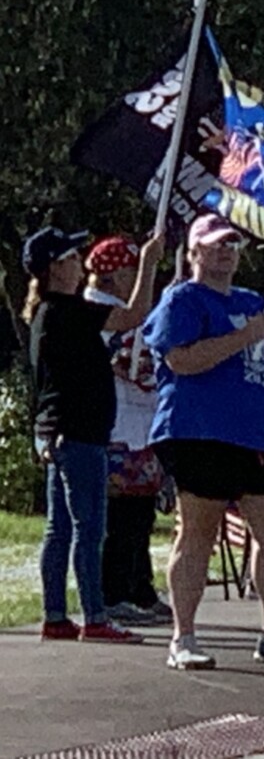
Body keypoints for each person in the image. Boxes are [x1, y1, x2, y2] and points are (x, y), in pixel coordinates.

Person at [144, 213, 264, 670]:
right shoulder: (183, 299)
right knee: (198, 532)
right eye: (215, 244)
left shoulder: (252, 301)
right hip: (200, 430)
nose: (226, 250)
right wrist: (241, 336)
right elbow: (181, 360)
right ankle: (183, 637)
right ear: (194, 252)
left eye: (232, 244)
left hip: (255, 435)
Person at [23, 225, 162, 644]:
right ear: (54, 268)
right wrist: (151, 264)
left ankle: (56, 614)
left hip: (56, 430)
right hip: (78, 431)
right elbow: (134, 313)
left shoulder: (46, 314)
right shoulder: (69, 311)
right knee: (89, 526)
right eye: (68, 258)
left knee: (60, 527)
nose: (77, 263)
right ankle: (95, 615)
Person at [82, 236, 172, 626]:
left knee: (140, 514)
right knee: (120, 517)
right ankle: (114, 590)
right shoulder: (96, 310)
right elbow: (122, 356)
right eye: (133, 272)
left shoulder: (124, 311)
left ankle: (139, 586)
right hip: (116, 424)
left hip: (141, 426)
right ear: (116, 275)